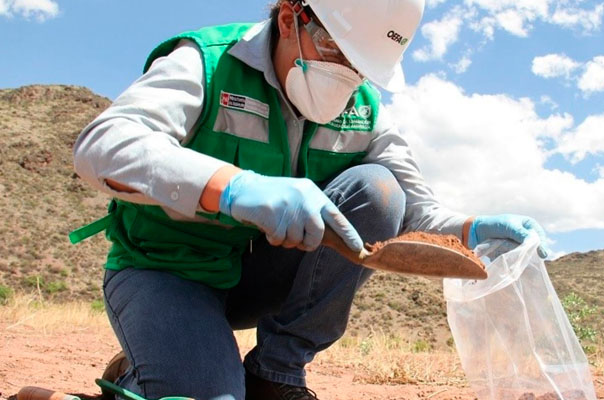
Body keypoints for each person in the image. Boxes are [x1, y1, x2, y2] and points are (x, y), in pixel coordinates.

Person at [71, 0, 549, 399]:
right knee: (203, 394)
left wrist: (473, 230)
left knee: (378, 191)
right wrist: (233, 186)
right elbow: (103, 145)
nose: (348, 75)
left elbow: (414, 209)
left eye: (360, 64)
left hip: (259, 278)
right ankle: (145, 374)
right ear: (289, 19)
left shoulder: (365, 110)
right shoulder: (207, 63)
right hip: (166, 271)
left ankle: (274, 375)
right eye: (337, 52)